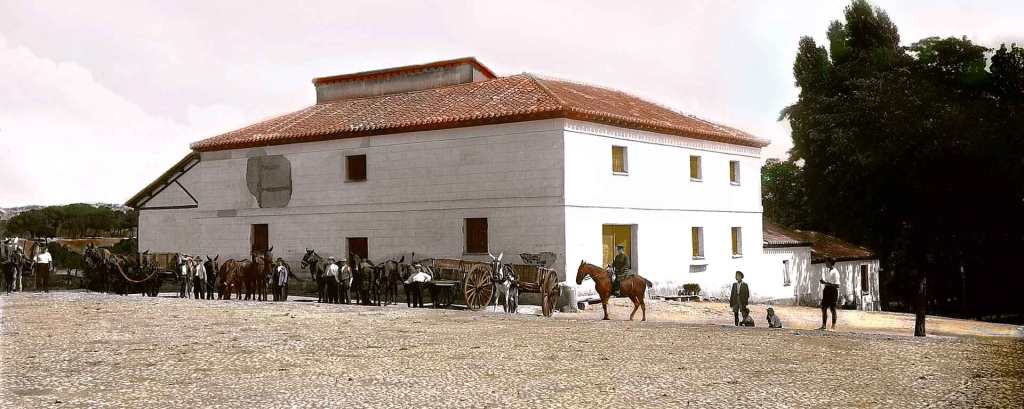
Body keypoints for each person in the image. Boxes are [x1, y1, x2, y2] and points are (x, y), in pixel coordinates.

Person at [819, 260, 841, 330]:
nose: (826, 263)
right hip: (827, 290)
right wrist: (825, 283)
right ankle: (823, 325)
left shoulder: (835, 272)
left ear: (830, 263)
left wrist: (825, 283)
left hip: (832, 291)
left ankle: (833, 326)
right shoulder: (829, 271)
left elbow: (837, 285)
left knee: (832, 309)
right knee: (823, 307)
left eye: (827, 262)